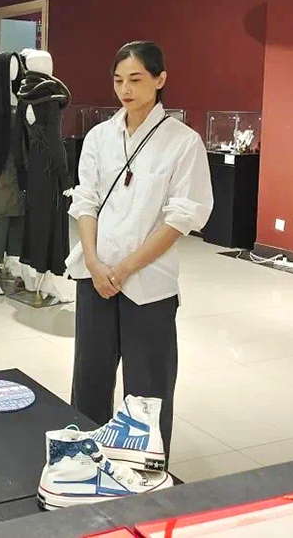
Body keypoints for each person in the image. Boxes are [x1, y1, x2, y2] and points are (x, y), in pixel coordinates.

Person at [67, 41, 213, 456]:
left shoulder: (183, 142)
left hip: (148, 282)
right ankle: (85, 460)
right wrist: (93, 260)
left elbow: (183, 216)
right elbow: (85, 199)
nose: (125, 90)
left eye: (135, 79)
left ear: (160, 79)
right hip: (95, 276)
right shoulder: (100, 136)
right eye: (118, 81)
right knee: (90, 378)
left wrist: (127, 267)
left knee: (148, 387)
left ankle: (144, 466)